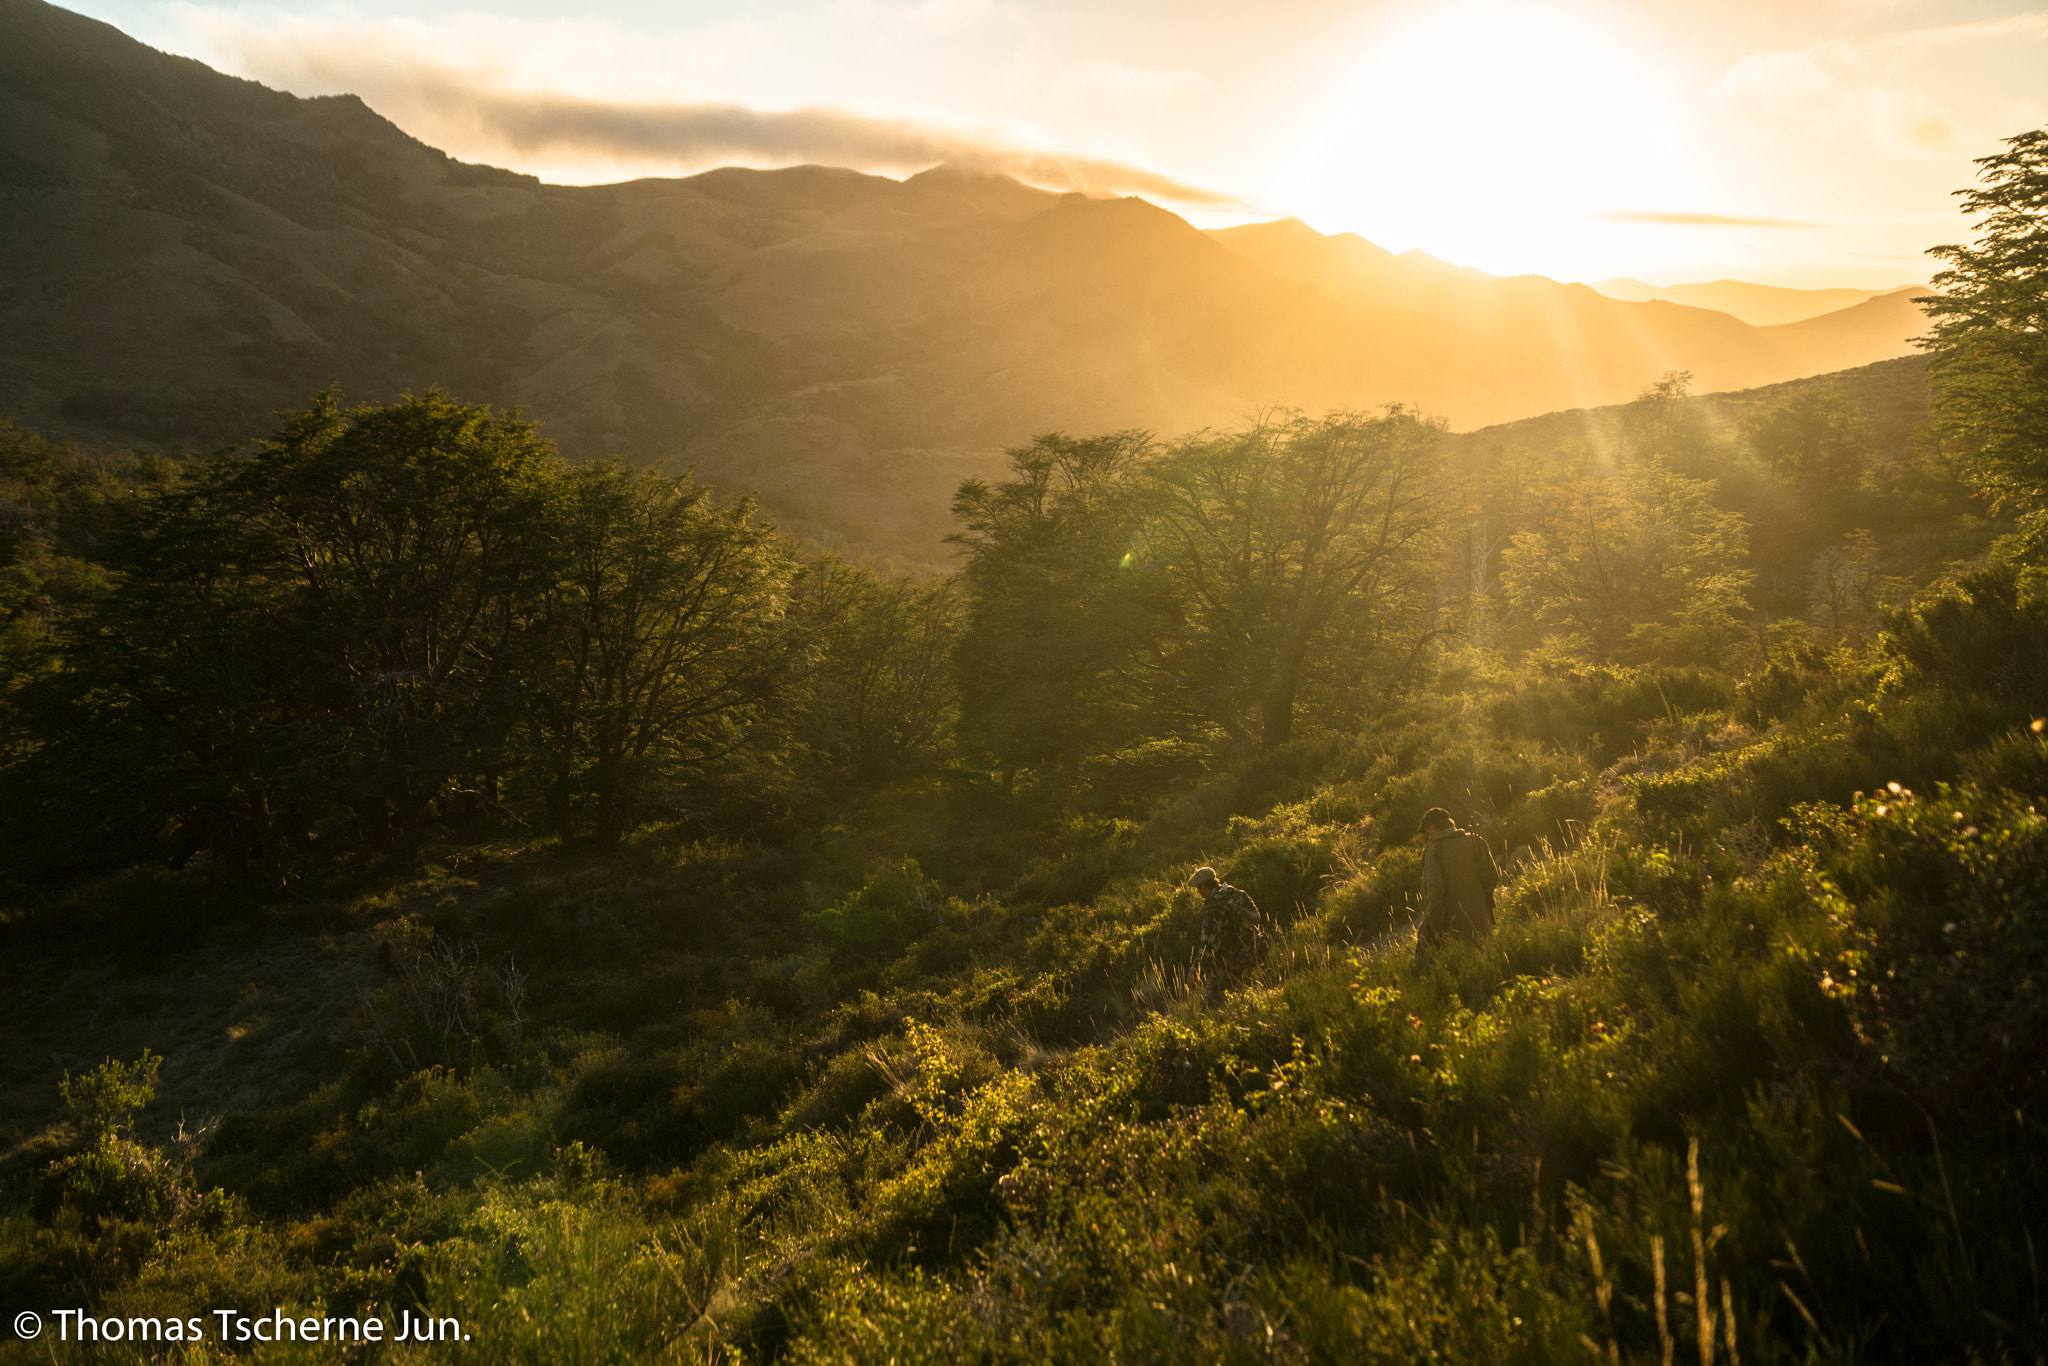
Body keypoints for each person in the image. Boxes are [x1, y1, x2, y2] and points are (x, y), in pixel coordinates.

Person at [1415, 808, 1498, 950]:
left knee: (1423, 966)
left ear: (1433, 827)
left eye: (1427, 831)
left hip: (1452, 931)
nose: (1428, 836)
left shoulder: (1433, 851)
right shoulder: (1476, 840)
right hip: (1482, 924)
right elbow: (1493, 877)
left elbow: (1435, 894)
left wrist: (1436, 929)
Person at [1189, 866, 1263, 987]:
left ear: (1204, 885)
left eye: (1198, 887)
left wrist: (1195, 968)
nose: (1198, 891)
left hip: (1236, 957)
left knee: (1212, 997)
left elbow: (1209, 945)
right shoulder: (1231, 893)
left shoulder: (1214, 908)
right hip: (1257, 946)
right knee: (1254, 987)